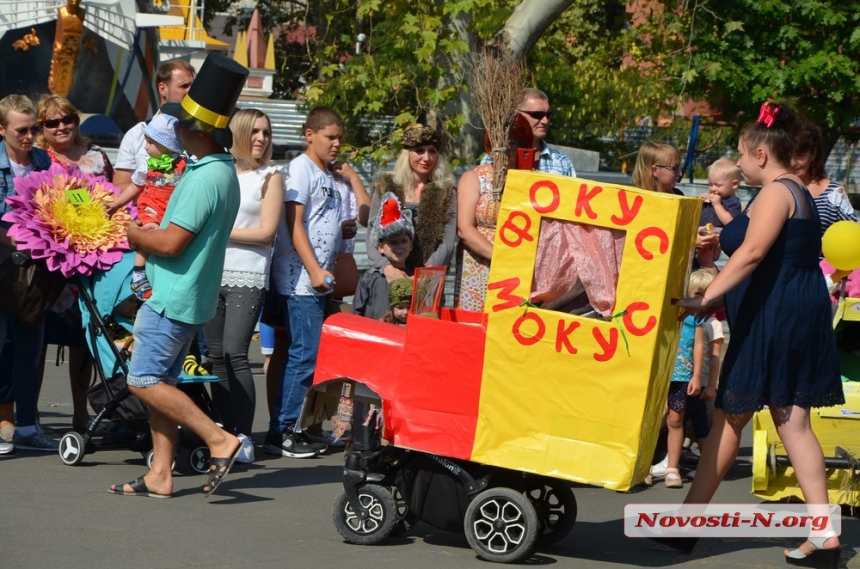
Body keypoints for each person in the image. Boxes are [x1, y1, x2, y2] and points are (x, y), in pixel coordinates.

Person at [669, 102, 844, 564]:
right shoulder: (798, 190)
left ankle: (691, 524)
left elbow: (749, 255)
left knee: (757, 416)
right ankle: (823, 532)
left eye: (743, 155)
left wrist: (705, 299)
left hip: (775, 317)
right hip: (790, 313)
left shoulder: (775, 193)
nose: (740, 162)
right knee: (768, 418)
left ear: (762, 155)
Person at [108, 53, 249, 498]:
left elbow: (171, 244)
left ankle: (218, 438)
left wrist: (135, 234)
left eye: (182, 125)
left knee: (143, 380)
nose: (176, 131)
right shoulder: (220, 171)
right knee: (162, 383)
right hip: (188, 292)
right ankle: (160, 473)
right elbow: (177, 233)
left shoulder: (205, 177)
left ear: (196, 131)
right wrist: (155, 233)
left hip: (173, 292)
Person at [264, 106, 347, 459]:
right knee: (303, 354)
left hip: (317, 280)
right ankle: (280, 431)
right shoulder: (300, 169)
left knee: (308, 355)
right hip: (299, 280)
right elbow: (294, 223)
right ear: (309, 135)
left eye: (340, 137)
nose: (337, 144)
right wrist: (314, 269)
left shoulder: (326, 174)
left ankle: (296, 426)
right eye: (330, 137)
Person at [202, 108, 283, 461]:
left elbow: (266, 234)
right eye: (254, 132)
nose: (261, 139)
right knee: (215, 357)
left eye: (266, 132)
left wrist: (219, 234)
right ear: (238, 134)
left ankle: (245, 436)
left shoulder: (272, 176)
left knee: (235, 352)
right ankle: (223, 432)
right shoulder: (220, 172)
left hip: (247, 278)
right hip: (211, 274)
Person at [36, 93, 114, 435]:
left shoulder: (96, 157)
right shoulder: (37, 158)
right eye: (52, 122)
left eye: (67, 119)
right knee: (36, 341)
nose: (61, 127)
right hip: (47, 263)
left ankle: (82, 416)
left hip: (88, 262)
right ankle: (29, 416)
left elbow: (110, 201)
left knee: (84, 342)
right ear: (42, 128)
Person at [0, 94, 55, 452]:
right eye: (21, 130)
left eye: (34, 128)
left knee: (29, 350)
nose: (29, 137)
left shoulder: (43, 161)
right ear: (1, 129)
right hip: (3, 266)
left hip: (31, 274)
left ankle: (27, 427)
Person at [365, 124, 456, 282]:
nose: (426, 158)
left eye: (432, 151)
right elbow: (372, 235)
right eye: (419, 150)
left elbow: (447, 242)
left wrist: (425, 274)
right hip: (386, 277)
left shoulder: (446, 192)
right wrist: (388, 269)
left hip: (428, 279)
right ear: (407, 154)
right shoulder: (385, 185)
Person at [110, 59, 195, 209]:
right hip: (146, 221)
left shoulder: (201, 135)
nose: (191, 91)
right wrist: (158, 194)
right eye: (184, 86)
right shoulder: (137, 133)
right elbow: (119, 185)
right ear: (163, 89)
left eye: (193, 86)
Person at [123, 113, 186, 300]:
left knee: (167, 240)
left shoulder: (184, 165)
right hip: (150, 207)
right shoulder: (147, 165)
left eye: (150, 143)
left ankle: (159, 277)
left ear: (166, 145)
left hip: (170, 210)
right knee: (149, 232)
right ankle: (138, 273)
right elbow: (135, 185)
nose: (145, 147)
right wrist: (116, 204)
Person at [479, 88, 576, 177]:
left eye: (548, 115)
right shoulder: (495, 158)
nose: (545, 121)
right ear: (518, 115)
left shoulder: (561, 162)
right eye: (538, 114)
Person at [354, 193, 415, 320]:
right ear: (380, 247)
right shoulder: (371, 277)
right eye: (393, 242)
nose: (399, 246)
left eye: (403, 241)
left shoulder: (415, 278)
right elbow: (357, 311)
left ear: (411, 246)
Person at [699, 158, 743, 228]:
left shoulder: (733, 203)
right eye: (710, 184)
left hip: (718, 237)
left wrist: (717, 205)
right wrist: (699, 202)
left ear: (734, 184)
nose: (713, 189)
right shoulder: (710, 200)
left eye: (718, 185)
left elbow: (731, 223)